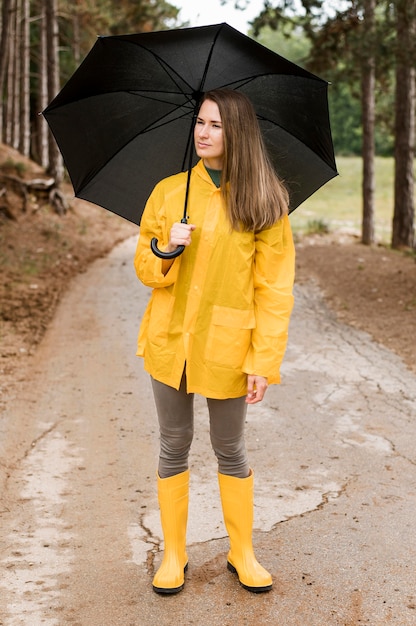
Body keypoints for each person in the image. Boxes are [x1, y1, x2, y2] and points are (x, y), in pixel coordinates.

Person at [134, 88, 295, 595]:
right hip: (170, 340)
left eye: (216, 125)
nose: (203, 133)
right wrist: (166, 249)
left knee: (230, 446)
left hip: (228, 343)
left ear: (238, 133)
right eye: (200, 123)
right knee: (173, 443)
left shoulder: (264, 200)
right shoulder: (169, 192)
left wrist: (263, 360)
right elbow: (145, 266)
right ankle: (174, 553)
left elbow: (274, 290)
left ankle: (241, 551)